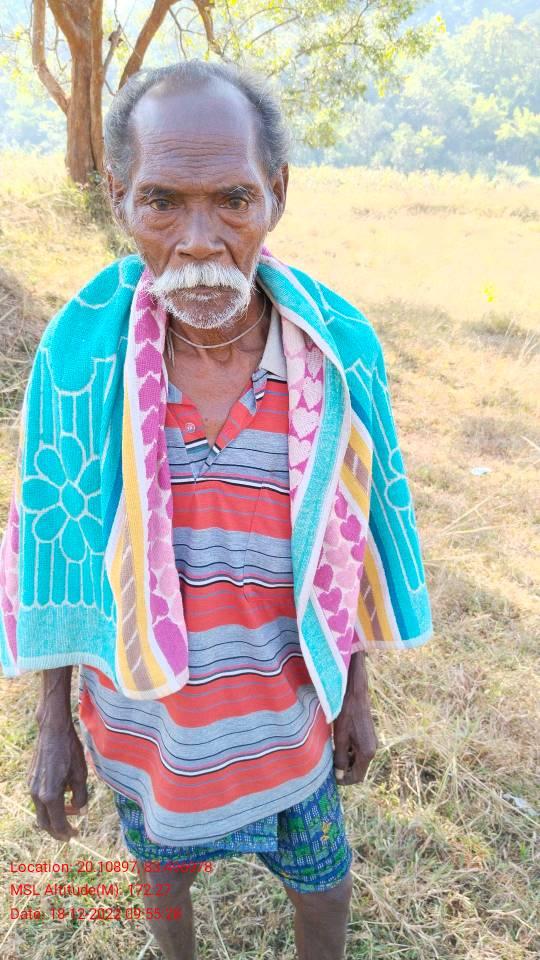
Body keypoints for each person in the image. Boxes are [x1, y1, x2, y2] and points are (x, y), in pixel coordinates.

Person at [0, 60, 433, 960]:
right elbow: (58, 545)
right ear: (119, 197)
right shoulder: (80, 359)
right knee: (163, 885)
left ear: (277, 192)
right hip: (147, 729)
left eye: (233, 200)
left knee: (324, 888)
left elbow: (348, 540)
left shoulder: (336, 353)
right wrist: (53, 725)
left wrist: (355, 694)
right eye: (162, 202)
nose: (199, 242)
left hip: (289, 723)